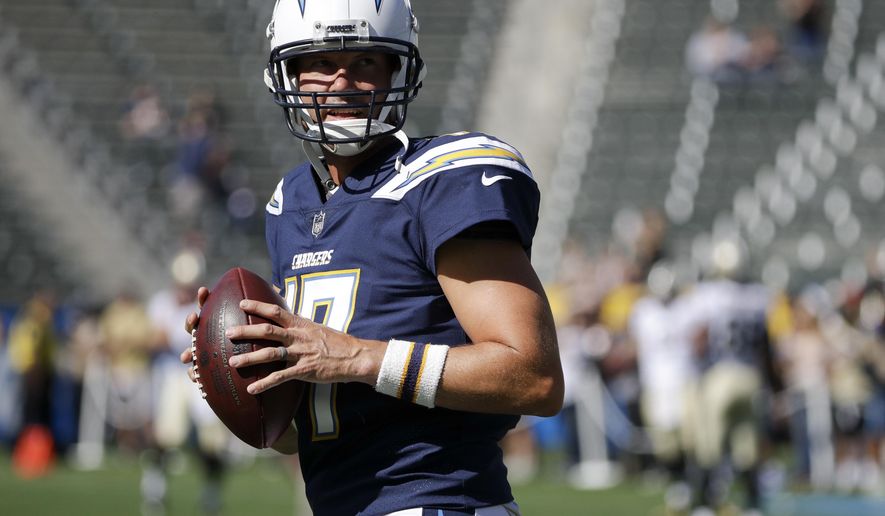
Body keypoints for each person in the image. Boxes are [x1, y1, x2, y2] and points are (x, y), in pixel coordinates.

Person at [181, 1, 563, 515]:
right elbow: (316, 429)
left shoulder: (440, 181)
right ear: (286, 74)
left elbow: (534, 377)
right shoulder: (290, 203)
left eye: (365, 62)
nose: (341, 84)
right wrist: (242, 376)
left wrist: (359, 356)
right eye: (319, 63)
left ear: (396, 71)